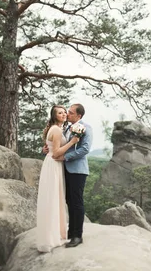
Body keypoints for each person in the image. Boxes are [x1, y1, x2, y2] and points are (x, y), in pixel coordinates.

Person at [35, 105, 79, 253]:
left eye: (65, 112)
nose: (64, 114)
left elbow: (51, 148)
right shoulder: (56, 129)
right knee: (53, 199)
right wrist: (72, 142)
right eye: (60, 113)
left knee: (53, 199)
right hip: (54, 164)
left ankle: (55, 234)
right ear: (54, 116)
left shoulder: (57, 128)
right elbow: (55, 153)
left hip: (54, 165)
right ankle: (51, 237)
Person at [55, 103, 92, 248]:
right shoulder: (66, 128)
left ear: (79, 116)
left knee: (76, 202)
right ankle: (71, 232)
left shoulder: (86, 128)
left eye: (70, 112)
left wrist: (66, 157)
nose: (67, 114)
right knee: (69, 201)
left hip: (78, 170)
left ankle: (78, 236)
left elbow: (85, 149)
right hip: (65, 170)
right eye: (67, 112)